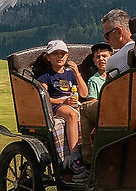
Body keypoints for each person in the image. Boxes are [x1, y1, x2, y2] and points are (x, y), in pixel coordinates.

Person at [33, 38, 92, 179]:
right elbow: (44, 97)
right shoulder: (46, 76)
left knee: (87, 114)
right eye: (55, 54)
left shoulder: (70, 74)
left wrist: (77, 73)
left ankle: (89, 155)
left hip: (72, 104)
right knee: (71, 115)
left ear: (67, 56)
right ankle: (74, 158)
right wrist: (63, 100)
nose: (59, 57)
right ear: (48, 57)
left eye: (62, 54)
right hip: (55, 106)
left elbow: (84, 94)